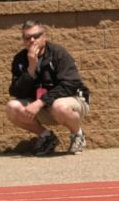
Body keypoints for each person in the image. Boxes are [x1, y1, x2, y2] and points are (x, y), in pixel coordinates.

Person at [6, 20, 90, 156]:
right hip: (43, 107)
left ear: (44, 36)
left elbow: (69, 85)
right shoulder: (20, 59)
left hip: (71, 101)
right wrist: (31, 69)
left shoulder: (58, 54)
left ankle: (77, 135)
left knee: (59, 106)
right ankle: (46, 137)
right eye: (27, 37)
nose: (32, 40)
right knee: (12, 108)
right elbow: (16, 92)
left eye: (36, 36)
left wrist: (40, 102)